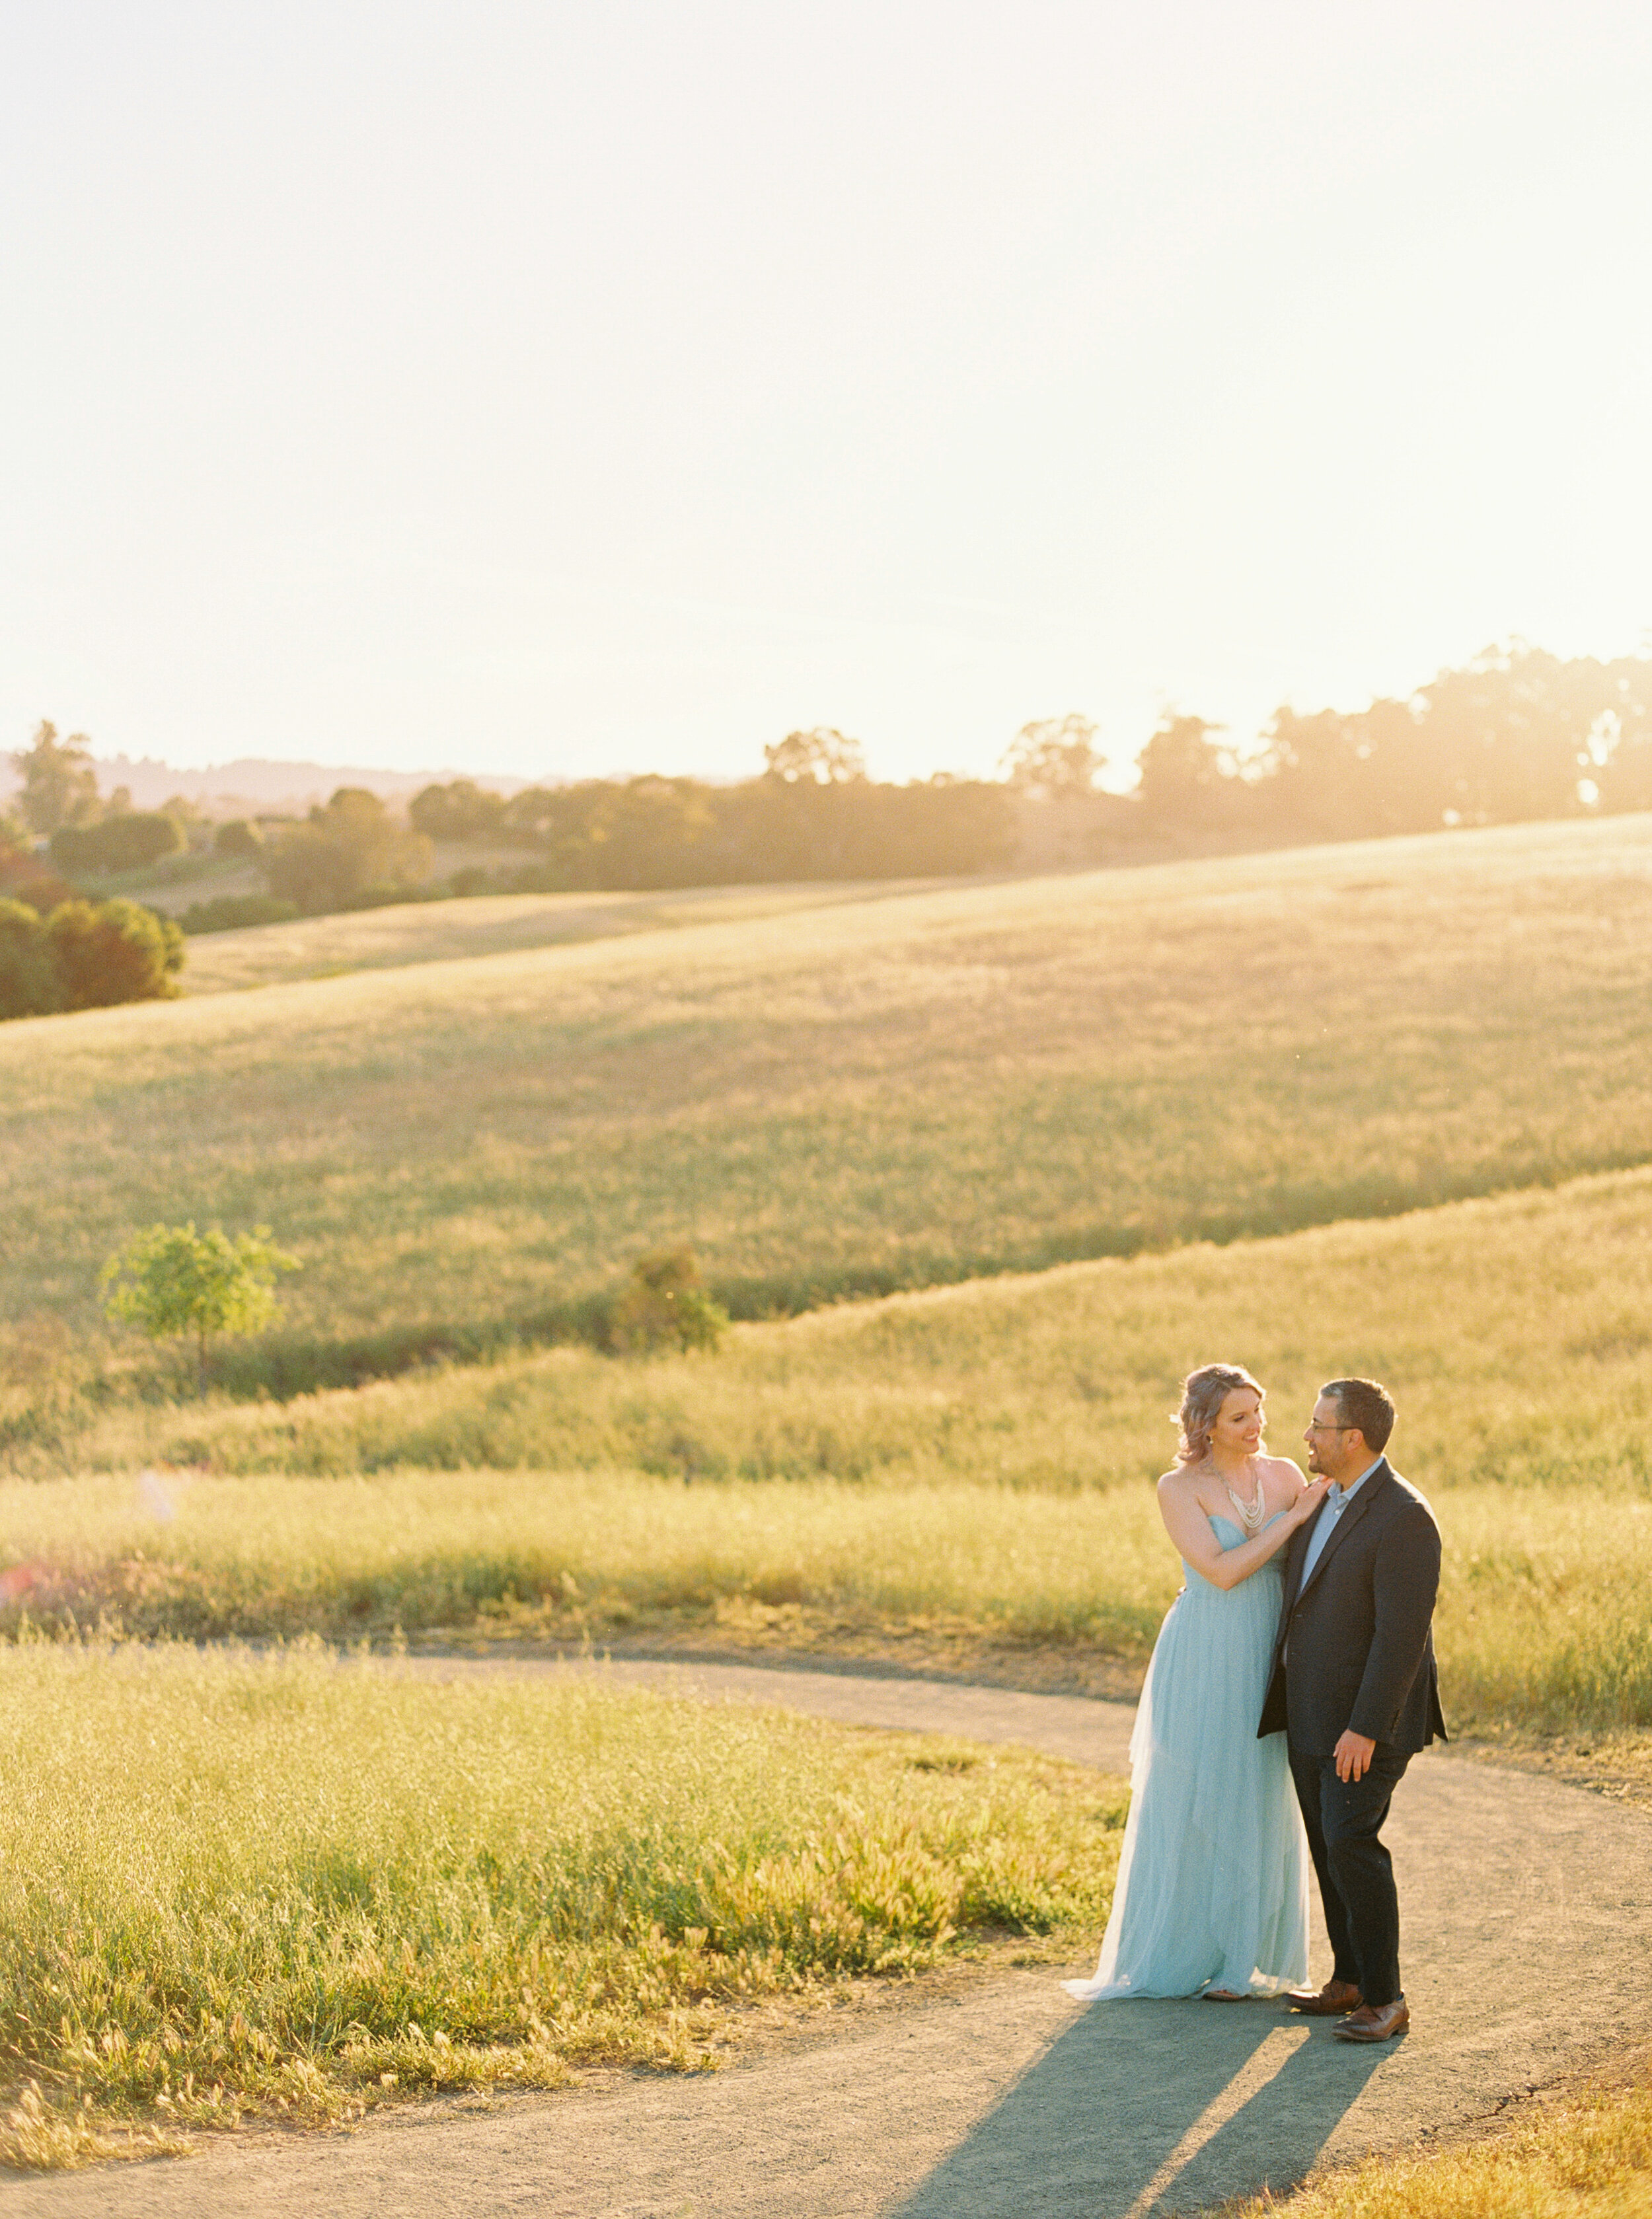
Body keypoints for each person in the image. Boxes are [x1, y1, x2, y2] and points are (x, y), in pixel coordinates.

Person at [1065, 1363, 1328, 2002]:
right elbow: (1219, 1571)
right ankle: (1184, 1949)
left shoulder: (1286, 1474)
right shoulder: (1178, 1488)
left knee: (1261, 1787)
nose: (1256, 1426)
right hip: (1208, 1645)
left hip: (1268, 1645)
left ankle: (1247, 1958)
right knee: (1203, 1784)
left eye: (1259, 1412)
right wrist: (1290, 1522)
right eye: (1240, 1417)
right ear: (1205, 1426)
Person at [1259, 1378, 1446, 2043]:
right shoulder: (1325, 1501)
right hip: (1310, 1711)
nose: (1305, 1437)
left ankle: (1386, 1998)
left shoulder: (1404, 1517)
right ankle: (1349, 1978)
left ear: (1352, 1437)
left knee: (1350, 1841)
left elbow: (1401, 1638)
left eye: (1317, 1426)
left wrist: (1364, 1727)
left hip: (1365, 1723)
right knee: (1325, 1843)